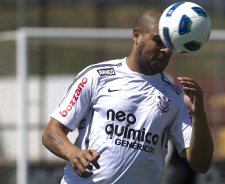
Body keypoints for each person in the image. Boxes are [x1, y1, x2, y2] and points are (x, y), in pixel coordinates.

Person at [42, 8, 214, 184]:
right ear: (137, 35)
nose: (165, 50)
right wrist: (74, 153)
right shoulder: (97, 76)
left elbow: (201, 164)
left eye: (169, 44)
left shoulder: (175, 96)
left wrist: (199, 115)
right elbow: (51, 133)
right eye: (158, 41)